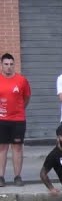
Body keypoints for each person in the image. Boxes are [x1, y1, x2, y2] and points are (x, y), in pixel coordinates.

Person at [0, 53, 31, 186]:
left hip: (18, 120)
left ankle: (17, 176)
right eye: (6, 64)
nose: (9, 67)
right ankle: (1, 177)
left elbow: (27, 98)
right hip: (2, 119)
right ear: (1, 65)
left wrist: (19, 110)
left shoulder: (21, 80)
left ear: (14, 65)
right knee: (2, 148)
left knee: (17, 148)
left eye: (11, 64)